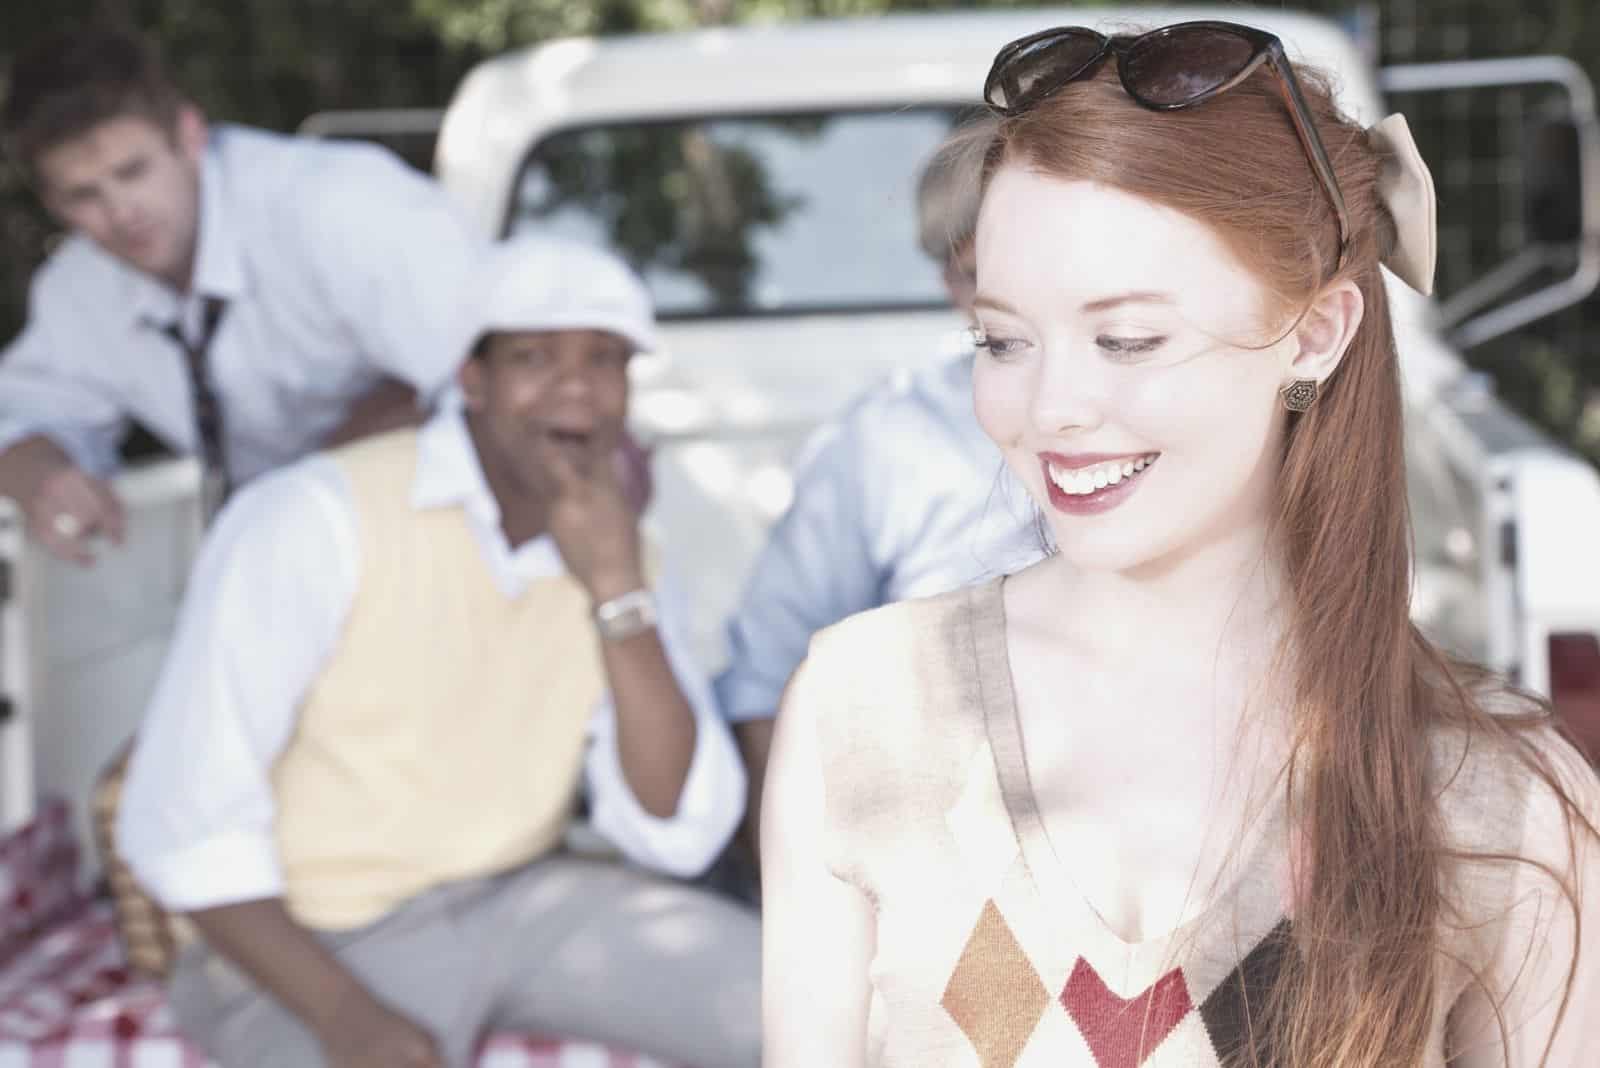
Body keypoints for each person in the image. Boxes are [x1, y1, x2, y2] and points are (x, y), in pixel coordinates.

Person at [762, 20, 1600, 1067]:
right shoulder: (863, 709)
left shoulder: (1501, 794)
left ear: (1315, 332)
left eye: (1128, 339)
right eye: (1002, 339)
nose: (1052, 407)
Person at [116, 236, 760, 1068]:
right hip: (311, 942)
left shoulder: (625, 548)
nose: (575, 384)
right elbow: (182, 824)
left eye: (604, 360)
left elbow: (674, 824)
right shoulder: (315, 518)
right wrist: (348, 1018)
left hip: (522, 902)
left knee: (808, 1009)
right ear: (471, 379)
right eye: (533, 355)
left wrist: (615, 589)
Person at [0, 24, 480, 562]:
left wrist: (310, 480)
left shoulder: (341, 206)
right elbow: (22, 417)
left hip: (447, 532)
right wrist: (41, 475)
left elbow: (489, 376)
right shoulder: (78, 291)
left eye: (132, 171)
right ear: (49, 203)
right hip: (282, 562)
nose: (120, 213)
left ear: (189, 133)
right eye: (83, 195)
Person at [716, 116, 1039, 856]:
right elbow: (768, 675)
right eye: (978, 273)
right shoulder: (886, 440)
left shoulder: (1191, 408)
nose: (1013, 303)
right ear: (952, 282)